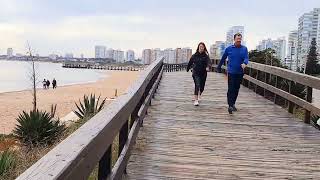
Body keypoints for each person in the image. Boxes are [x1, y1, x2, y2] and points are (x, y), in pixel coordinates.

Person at [217, 33, 249, 114]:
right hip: (231, 72)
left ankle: (233, 103)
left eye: (240, 39)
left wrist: (245, 63)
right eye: (237, 39)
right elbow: (223, 58)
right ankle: (230, 105)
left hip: (240, 72)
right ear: (234, 39)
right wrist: (219, 67)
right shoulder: (229, 48)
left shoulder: (244, 49)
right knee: (231, 89)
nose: (239, 40)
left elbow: (246, 57)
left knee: (236, 89)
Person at [187, 42, 211, 106]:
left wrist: (208, 67)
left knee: (202, 86)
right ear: (198, 47)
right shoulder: (194, 55)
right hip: (195, 72)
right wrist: (187, 68)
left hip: (203, 73)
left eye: (202, 47)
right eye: (200, 47)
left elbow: (209, 62)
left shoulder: (206, 56)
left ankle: (199, 93)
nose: (201, 48)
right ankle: (196, 100)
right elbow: (190, 62)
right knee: (197, 85)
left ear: (204, 48)